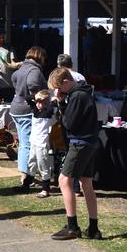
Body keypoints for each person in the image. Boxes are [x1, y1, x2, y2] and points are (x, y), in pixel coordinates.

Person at [47, 67, 101, 241]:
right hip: (90, 142)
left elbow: (69, 123)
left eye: (59, 87)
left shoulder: (77, 96)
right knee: (86, 184)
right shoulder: (83, 93)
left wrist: (61, 104)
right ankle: (93, 228)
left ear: (66, 82)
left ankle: (72, 227)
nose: (58, 91)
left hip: (80, 143)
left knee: (64, 181)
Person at [11, 46, 47, 192]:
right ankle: (24, 177)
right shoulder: (34, 70)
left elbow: (14, 78)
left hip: (16, 108)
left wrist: (20, 92)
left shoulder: (22, 67)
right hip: (25, 110)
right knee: (27, 145)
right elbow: (32, 84)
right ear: (40, 56)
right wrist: (36, 97)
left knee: (23, 144)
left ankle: (26, 174)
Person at [25, 89, 57, 198]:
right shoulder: (36, 110)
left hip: (42, 143)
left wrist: (47, 98)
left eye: (42, 102)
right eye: (37, 102)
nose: (38, 104)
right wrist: (37, 96)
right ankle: (26, 185)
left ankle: (45, 189)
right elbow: (27, 98)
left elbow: (52, 106)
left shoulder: (48, 112)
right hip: (33, 141)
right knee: (31, 163)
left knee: (43, 165)